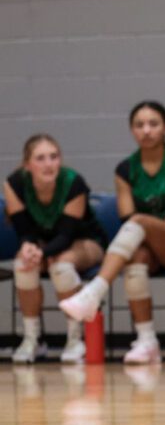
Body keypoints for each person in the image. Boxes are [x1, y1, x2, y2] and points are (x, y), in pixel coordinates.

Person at [61, 101, 165, 364]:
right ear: (132, 130)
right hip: (144, 245)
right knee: (135, 259)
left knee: (139, 222)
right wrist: (150, 229)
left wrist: (156, 228)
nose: (146, 130)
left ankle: (95, 291)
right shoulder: (125, 169)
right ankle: (147, 340)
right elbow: (126, 217)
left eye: (153, 124)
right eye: (140, 125)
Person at [5, 134, 105, 363]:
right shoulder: (15, 184)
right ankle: (32, 339)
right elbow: (24, 230)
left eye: (54, 157)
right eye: (40, 158)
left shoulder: (73, 183)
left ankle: (75, 339)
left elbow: (66, 234)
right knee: (23, 264)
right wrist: (29, 248)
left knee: (60, 265)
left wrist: (43, 253)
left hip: (84, 241)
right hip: (44, 243)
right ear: (27, 164)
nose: (49, 164)